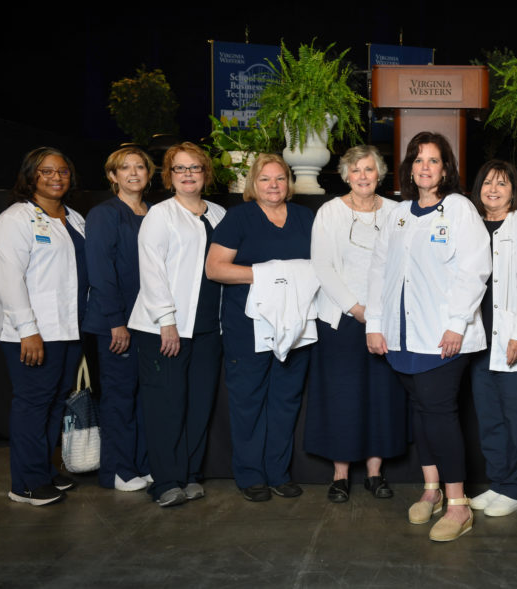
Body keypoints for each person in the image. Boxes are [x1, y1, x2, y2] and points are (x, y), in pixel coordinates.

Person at [365, 131, 490, 542]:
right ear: (409, 168)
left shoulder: (458, 209)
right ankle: (432, 490)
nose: (424, 167)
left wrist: (456, 323)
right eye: (418, 160)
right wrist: (375, 324)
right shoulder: (397, 214)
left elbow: (475, 269)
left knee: (439, 414)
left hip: (442, 336)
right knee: (421, 412)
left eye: (433, 160)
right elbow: (381, 273)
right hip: (402, 337)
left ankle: (458, 505)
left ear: (446, 168)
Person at [207, 153, 316, 503]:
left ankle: (278, 473)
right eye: (266, 179)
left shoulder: (305, 217)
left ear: (289, 183)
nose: (273, 185)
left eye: (280, 178)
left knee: (285, 401)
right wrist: (271, 274)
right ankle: (251, 475)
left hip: (296, 324)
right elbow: (216, 269)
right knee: (248, 401)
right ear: (254, 184)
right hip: (248, 326)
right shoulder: (238, 218)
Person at [305, 146, 406, 503]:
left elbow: (402, 265)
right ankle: (341, 475)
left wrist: (377, 313)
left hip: (385, 322)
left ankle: (375, 474)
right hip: (342, 321)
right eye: (356, 170)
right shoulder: (330, 212)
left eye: (369, 169)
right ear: (346, 175)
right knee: (342, 397)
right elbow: (322, 266)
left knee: (381, 396)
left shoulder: (396, 212)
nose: (363, 176)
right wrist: (355, 308)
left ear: (379, 174)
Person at [128, 142, 225, 508]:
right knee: (166, 406)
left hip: (207, 330)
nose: (187, 174)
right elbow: (151, 270)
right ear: (169, 176)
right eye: (179, 169)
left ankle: (191, 475)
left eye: (194, 168)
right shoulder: (160, 215)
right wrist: (166, 320)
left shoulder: (218, 214)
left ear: (206, 173)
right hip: (164, 330)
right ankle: (166, 481)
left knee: (199, 405)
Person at [0, 147, 86, 505]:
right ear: (30, 176)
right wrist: (28, 330)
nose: (56, 178)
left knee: (55, 402)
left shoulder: (74, 219)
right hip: (31, 333)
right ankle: (25, 483)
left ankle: (43, 470)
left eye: (62, 171)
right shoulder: (13, 221)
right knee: (33, 403)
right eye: (46, 172)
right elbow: (9, 281)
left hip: (67, 329)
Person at [466, 160, 517, 518]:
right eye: (488, 183)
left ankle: (515, 488)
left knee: (516, 415)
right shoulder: (472, 226)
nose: (493, 190)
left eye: (502, 184)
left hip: (510, 336)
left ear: (514, 191)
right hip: (478, 338)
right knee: (489, 416)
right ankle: (497, 482)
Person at [83, 146, 154, 492]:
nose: (133, 173)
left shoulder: (154, 212)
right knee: (119, 397)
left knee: (143, 397)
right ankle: (117, 471)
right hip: (117, 324)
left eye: (140, 166)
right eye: (124, 168)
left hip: (146, 321)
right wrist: (116, 321)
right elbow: (100, 271)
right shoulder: (104, 214)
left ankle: (139, 463)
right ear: (113, 176)